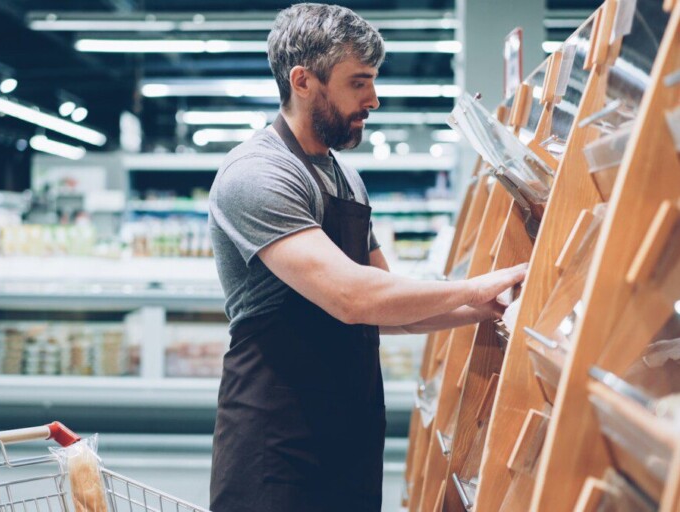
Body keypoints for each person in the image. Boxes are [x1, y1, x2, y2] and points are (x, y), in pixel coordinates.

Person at [207, 4, 527, 511]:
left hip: (348, 439)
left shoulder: (344, 177)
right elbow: (352, 297)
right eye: (358, 82)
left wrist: (491, 308)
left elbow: (388, 312)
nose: (373, 99)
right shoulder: (257, 174)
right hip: (276, 445)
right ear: (303, 80)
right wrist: (478, 285)